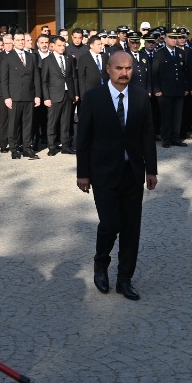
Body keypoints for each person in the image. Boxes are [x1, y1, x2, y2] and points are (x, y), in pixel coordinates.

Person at [75, 49, 157, 302]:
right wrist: (83, 173)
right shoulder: (93, 97)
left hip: (132, 172)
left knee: (131, 229)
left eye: (128, 68)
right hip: (103, 172)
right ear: (108, 69)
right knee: (110, 224)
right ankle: (101, 264)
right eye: (119, 68)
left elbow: (147, 135)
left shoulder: (141, 96)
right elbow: (83, 138)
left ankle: (124, 279)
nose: (124, 73)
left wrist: (151, 170)